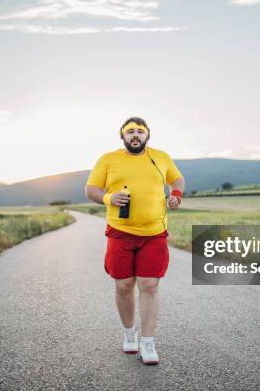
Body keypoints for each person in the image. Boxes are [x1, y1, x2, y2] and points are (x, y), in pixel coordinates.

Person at [84, 117, 185, 365]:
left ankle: (148, 342)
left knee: (149, 285)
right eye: (130, 131)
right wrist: (109, 198)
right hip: (120, 232)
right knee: (123, 285)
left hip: (154, 232)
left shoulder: (161, 157)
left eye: (140, 131)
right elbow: (91, 189)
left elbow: (177, 180)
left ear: (148, 135)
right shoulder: (108, 159)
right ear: (123, 136)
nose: (135, 134)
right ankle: (129, 332)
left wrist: (176, 194)